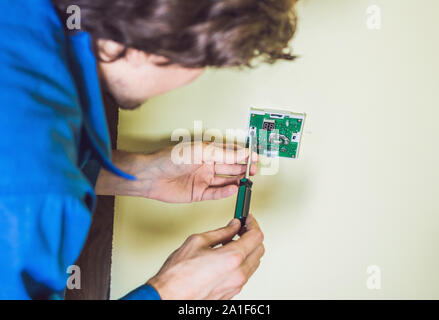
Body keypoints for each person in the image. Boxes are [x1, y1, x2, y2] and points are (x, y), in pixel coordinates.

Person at [0, 0, 298, 299]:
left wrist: (140, 175)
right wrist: (170, 292)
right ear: (162, 32)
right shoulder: (36, 191)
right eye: (204, 62)